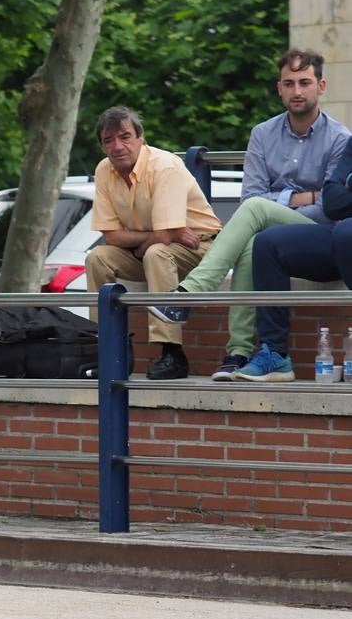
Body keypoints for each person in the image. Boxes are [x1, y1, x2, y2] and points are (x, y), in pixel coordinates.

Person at [148, 49, 351, 379]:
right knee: (254, 235)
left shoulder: (340, 138)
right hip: (276, 232)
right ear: (279, 89)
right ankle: (239, 353)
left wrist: (278, 202)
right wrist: (298, 197)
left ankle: (190, 294)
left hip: (318, 232)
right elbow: (252, 196)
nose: (297, 91)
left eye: (305, 82)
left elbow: (329, 206)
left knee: (257, 213)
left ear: (321, 86)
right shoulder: (262, 134)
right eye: (289, 83)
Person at [86, 106, 223, 379]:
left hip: (200, 250)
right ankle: (105, 350)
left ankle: (172, 353)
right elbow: (112, 236)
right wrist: (164, 234)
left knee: (158, 253)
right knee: (97, 257)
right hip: (149, 252)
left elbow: (162, 238)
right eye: (108, 140)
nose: (117, 147)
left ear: (141, 138)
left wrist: (158, 237)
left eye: (125, 137)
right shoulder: (104, 170)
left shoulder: (165, 165)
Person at [232, 143, 352, 381]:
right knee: (268, 243)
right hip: (341, 240)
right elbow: (332, 202)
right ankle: (275, 355)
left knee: (346, 232)